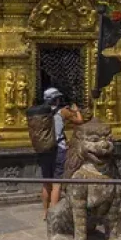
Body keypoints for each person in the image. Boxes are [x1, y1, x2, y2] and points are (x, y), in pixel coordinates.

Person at [38, 88, 82, 216]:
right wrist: (76, 110)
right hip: (58, 149)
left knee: (46, 183)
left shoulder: (40, 113)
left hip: (44, 150)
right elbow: (80, 121)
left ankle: (45, 213)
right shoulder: (63, 111)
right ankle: (54, 215)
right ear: (55, 100)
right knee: (56, 184)